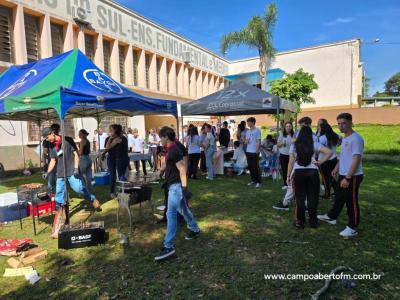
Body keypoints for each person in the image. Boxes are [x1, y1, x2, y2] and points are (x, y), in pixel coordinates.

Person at [154, 126, 200, 261]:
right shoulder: (170, 148)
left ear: (166, 137)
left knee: (170, 214)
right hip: (172, 184)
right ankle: (195, 229)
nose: (159, 140)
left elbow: (182, 169)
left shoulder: (174, 150)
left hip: (176, 186)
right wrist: (162, 171)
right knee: (183, 210)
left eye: (160, 137)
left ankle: (168, 246)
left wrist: (184, 188)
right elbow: (170, 165)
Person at [318, 113, 364, 238]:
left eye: (343, 123)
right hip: (343, 174)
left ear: (350, 122)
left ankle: (352, 227)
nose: (341, 126)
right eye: (338, 123)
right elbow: (343, 157)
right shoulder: (344, 139)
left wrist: (348, 178)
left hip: (352, 176)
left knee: (351, 201)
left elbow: (356, 159)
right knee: (339, 197)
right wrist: (336, 168)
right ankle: (332, 217)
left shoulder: (356, 139)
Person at [42, 127, 101, 212]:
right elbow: (53, 160)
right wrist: (47, 172)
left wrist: (76, 168)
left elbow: (76, 154)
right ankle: (61, 212)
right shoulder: (51, 146)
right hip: (60, 173)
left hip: (71, 171)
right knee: (58, 193)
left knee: (79, 189)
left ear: (52, 133)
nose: (47, 140)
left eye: (47, 138)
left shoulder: (67, 140)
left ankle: (92, 199)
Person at [287, 126, 332, 229]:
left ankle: (300, 222)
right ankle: (313, 222)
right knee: (313, 198)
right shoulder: (315, 144)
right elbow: (329, 152)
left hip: (298, 172)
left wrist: (288, 175)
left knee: (300, 198)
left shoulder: (294, 145)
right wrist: (320, 162)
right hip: (312, 172)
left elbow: (291, 162)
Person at [103, 124, 129, 198]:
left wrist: (111, 138)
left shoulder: (120, 138)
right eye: (109, 129)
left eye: (111, 129)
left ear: (116, 130)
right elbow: (106, 148)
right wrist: (103, 153)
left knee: (121, 176)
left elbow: (109, 146)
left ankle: (124, 191)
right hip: (111, 158)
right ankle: (112, 192)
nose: (109, 130)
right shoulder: (108, 138)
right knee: (112, 175)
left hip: (120, 159)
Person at [318, 122, 340, 198]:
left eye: (320, 128)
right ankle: (337, 192)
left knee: (325, 178)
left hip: (324, 160)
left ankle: (327, 194)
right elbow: (341, 140)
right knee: (332, 177)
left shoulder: (322, 138)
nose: (319, 129)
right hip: (334, 159)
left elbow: (319, 149)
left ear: (323, 129)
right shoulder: (336, 135)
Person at [42, 123, 61, 193]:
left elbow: (44, 152)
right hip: (52, 162)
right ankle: (51, 194)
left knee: (58, 180)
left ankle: (53, 195)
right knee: (53, 180)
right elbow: (45, 152)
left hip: (57, 162)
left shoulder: (60, 139)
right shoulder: (47, 140)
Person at [245, 117, 261, 188]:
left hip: (254, 151)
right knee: (250, 166)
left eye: (248, 122)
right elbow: (246, 141)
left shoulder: (257, 130)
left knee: (255, 167)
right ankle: (253, 180)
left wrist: (257, 151)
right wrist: (245, 141)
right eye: (247, 122)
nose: (247, 123)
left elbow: (258, 141)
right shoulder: (248, 131)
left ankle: (258, 182)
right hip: (248, 151)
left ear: (253, 122)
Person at [78, 129, 93, 200]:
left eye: (80, 134)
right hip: (88, 158)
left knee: (82, 177)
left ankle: (85, 192)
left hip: (83, 159)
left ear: (84, 134)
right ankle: (90, 192)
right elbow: (89, 151)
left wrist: (76, 153)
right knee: (89, 177)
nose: (79, 135)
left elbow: (80, 152)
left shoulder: (82, 141)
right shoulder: (88, 141)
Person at [277, 122, 294, 188]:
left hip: (292, 155)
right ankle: (285, 184)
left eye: (289, 126)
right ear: (285, 127)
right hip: (283, 154)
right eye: (287, 126)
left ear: (291, 127)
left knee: (292, 169)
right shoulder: (281, 135)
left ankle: (291, 183)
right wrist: (282, 143)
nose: (288, 127)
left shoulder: (294, 135)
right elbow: (278, 145)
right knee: (284, 169)